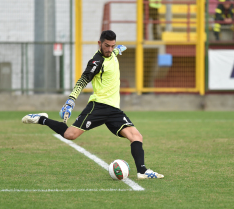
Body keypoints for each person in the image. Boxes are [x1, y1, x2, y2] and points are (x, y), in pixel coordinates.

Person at [22, 30, 164, 179]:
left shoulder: (113, 53)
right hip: (99, 106)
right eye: (106, 46)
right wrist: (71, 101)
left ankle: (142, 171)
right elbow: (83, 80)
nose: (109, 49)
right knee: (70, 135)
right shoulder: (96, 62)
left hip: (114, 110)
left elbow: (113, 52)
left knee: (136, 136)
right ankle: (41, 119)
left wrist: (117, 49)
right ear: (99, 44)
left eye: (112, 46)